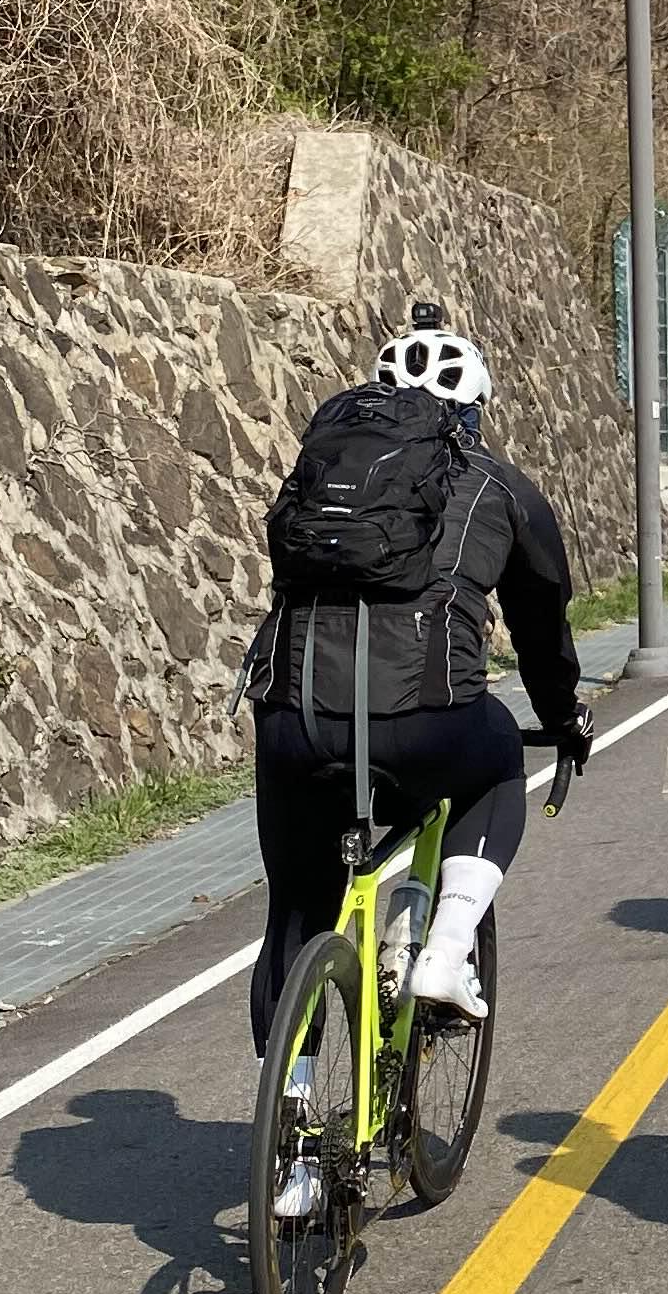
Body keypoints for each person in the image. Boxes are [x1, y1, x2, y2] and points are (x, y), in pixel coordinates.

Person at [245, 315, 588, 1175]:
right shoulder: (498, 486)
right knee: (499, 758)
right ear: (473, 410)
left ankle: (290, 1147)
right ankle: (445, 949)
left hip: (293, 723)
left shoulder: (324, 474)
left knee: (297, 910)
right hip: (427, 721)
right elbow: (542, 623)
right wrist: (564, 717)